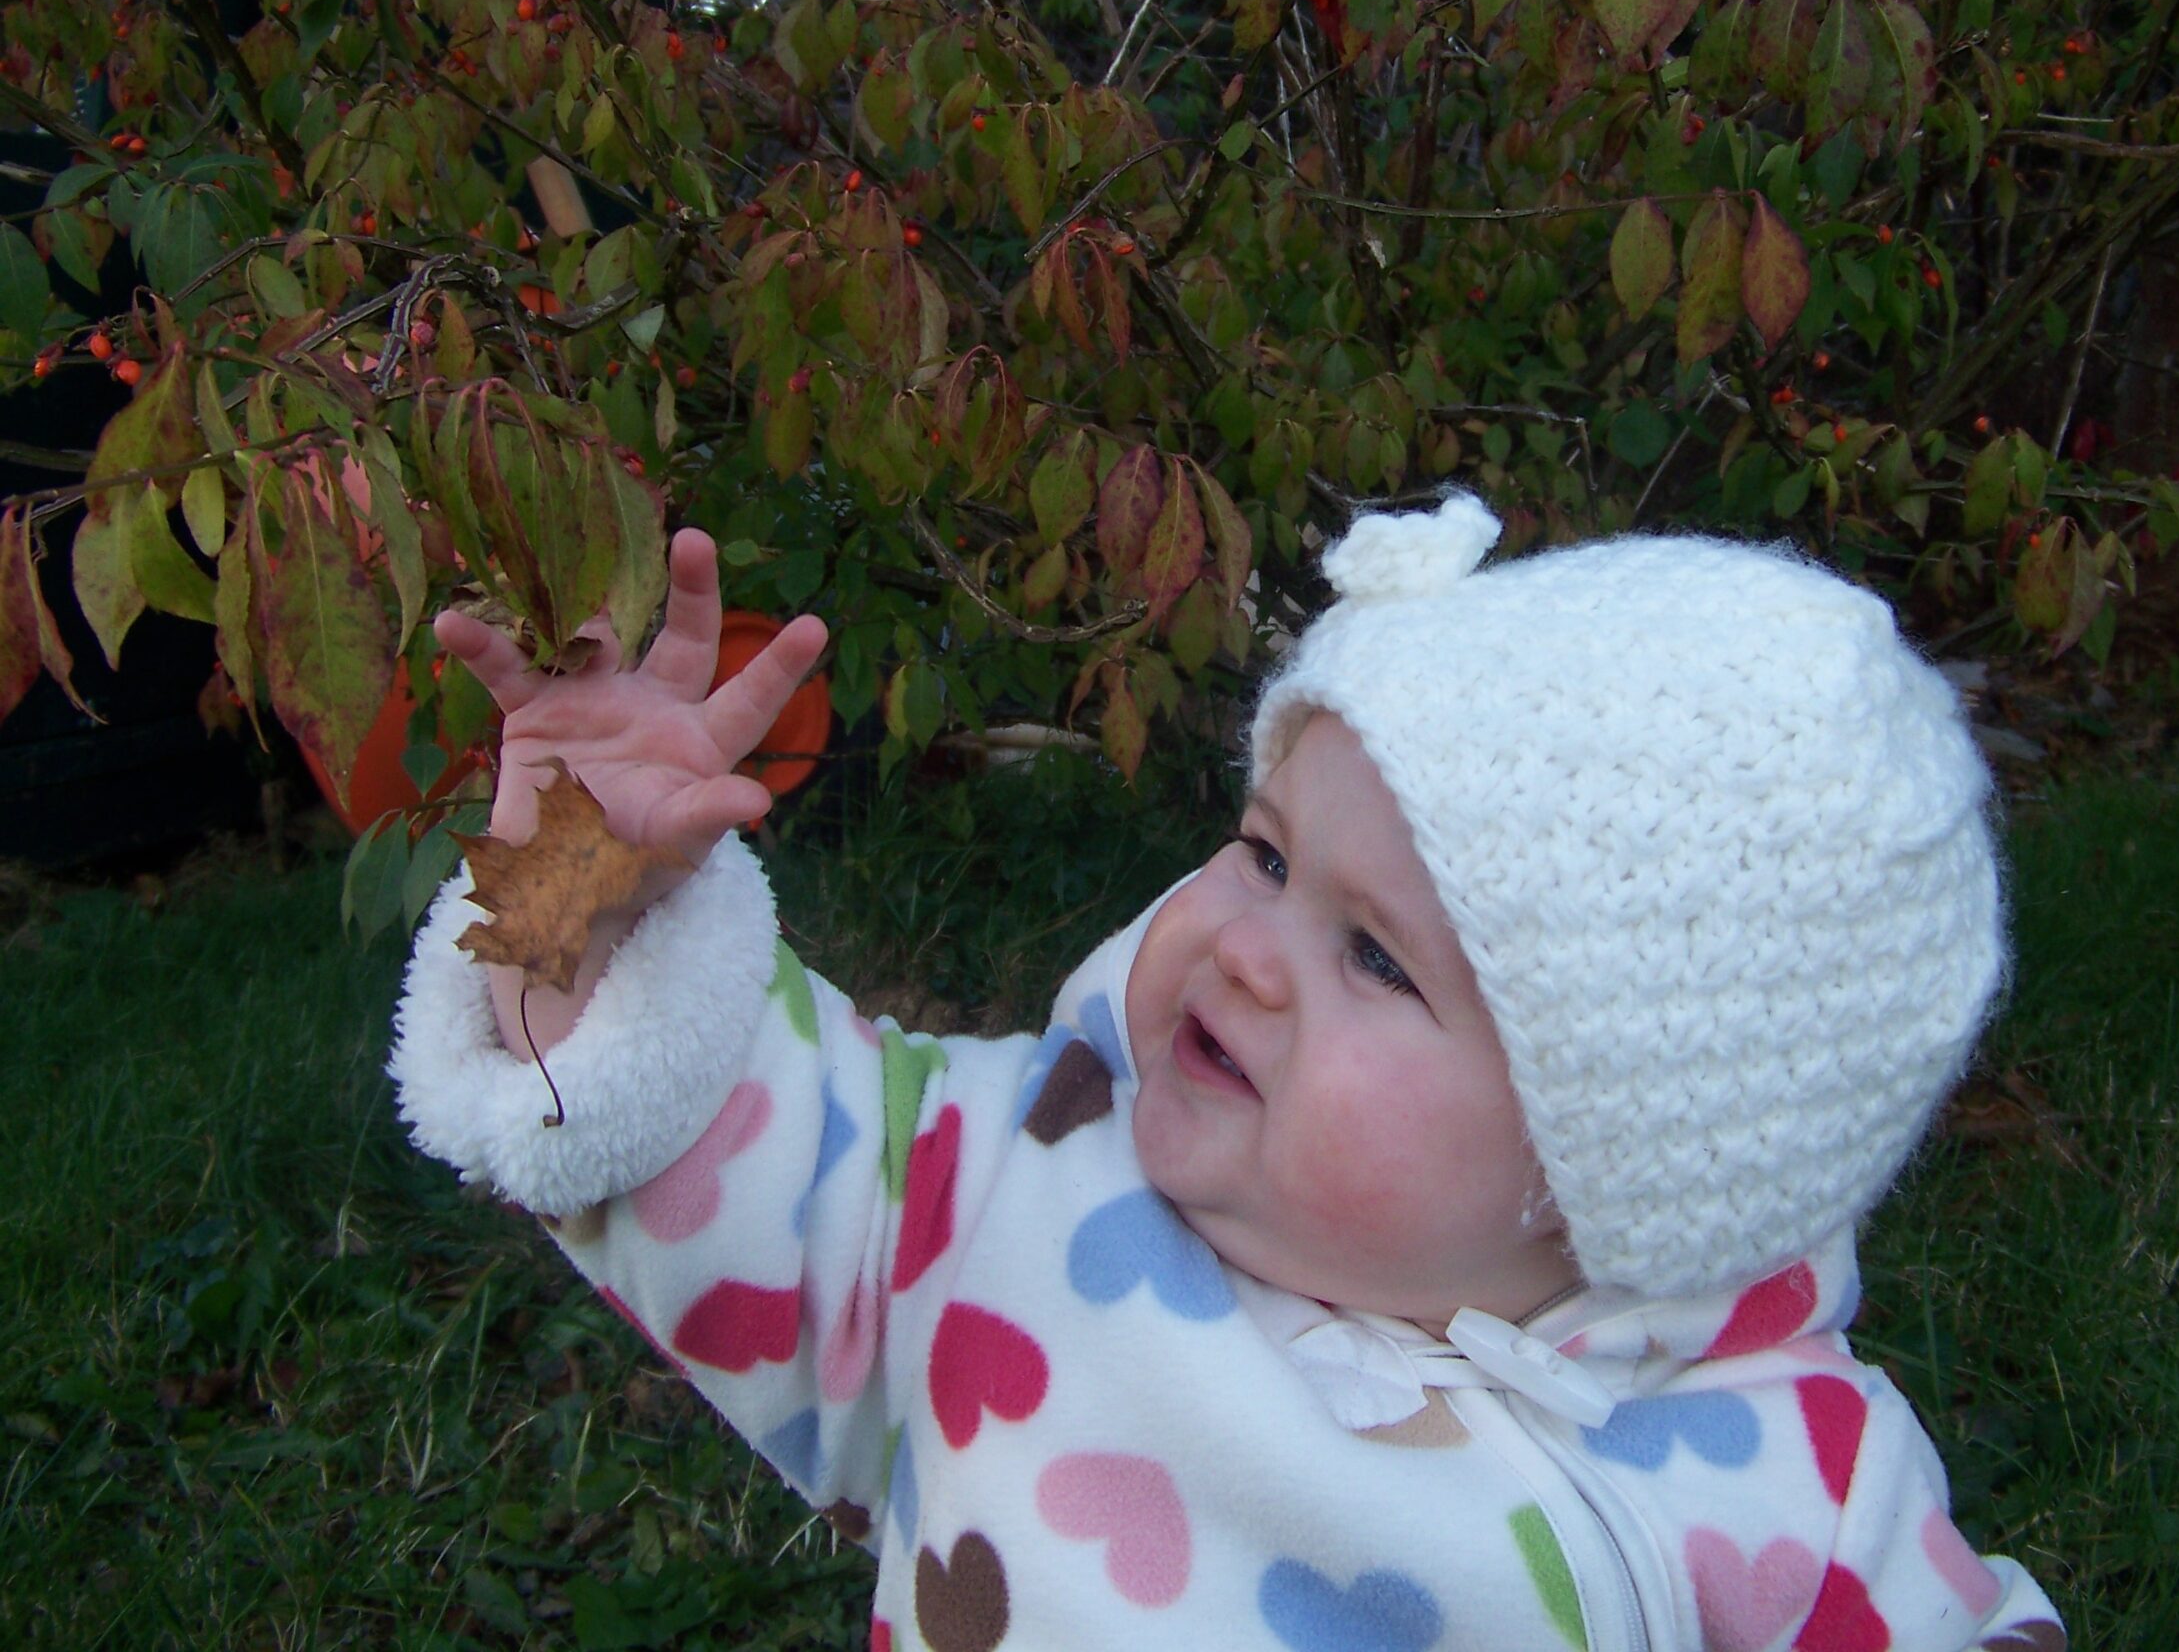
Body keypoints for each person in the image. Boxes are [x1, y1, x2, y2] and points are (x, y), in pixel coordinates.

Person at [391, 492, 2067, 1652]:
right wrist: (572, 905)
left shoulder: (1784, 1481)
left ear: (1611, 1160)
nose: (1249, 947)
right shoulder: (1003, 1201)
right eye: (1264, 855)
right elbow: (704, 1139)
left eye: (1378, 956)